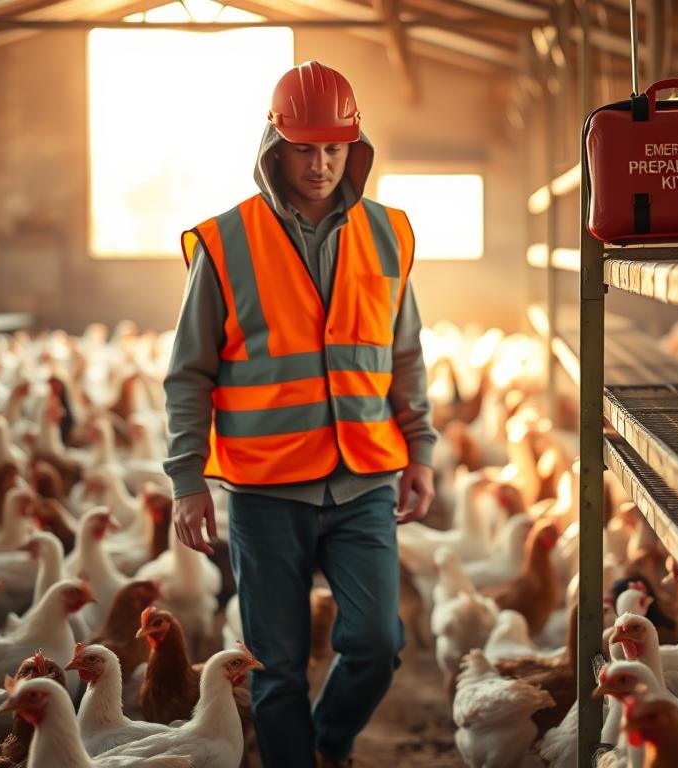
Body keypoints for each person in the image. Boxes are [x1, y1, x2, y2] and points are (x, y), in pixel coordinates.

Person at [162, 60, 437, 768]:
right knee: (276, 667)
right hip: (265, 488)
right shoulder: (224, 243)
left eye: (334, 148)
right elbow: (188, 371)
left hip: (364, 479)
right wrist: (187, 476)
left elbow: (403, 355)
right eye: (306, 148)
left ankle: (328, 745)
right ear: (274, 146)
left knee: (378, 644)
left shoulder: (390, 234)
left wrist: (423, 453)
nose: (320, 164)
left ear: (354, 148)